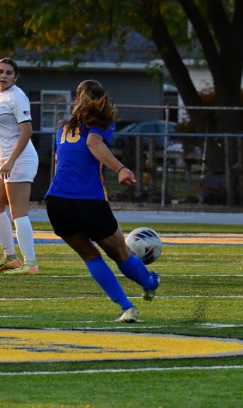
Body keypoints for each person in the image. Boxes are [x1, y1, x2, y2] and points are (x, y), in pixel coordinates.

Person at [44, 80, 160, 322]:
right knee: (121, 253)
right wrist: (120, 168)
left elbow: (64, 159)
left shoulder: (62, 127)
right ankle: (150, 283)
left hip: (57, 201)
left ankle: (127, 307)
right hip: (88, 200)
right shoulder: (100, 122)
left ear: (76, 100)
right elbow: (92, 143)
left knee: (90, 256)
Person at [0, 58, 39, 274]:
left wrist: (10, 160)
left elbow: (27, 131)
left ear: (15, 77)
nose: (4, 76)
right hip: (5, 160)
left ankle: (31, 263)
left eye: (9, 73)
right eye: (0, 71)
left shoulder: (17, 96)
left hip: (20, 159)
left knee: (18, 212)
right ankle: (10, 258)